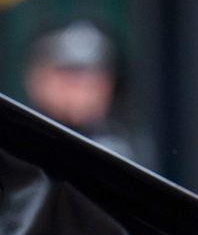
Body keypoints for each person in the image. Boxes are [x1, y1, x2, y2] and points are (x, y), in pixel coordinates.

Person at [24, 19, 136, 160]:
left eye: (94, 77)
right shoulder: (15, 142)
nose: (82, 89)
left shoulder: (121, 147)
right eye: (69, 75)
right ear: (37, 78)